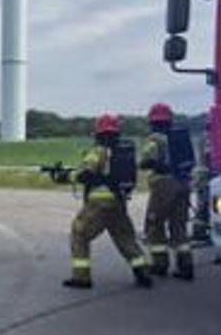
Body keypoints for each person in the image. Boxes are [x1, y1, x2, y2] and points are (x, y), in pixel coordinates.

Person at [55, 114, 152, 289]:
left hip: (99, 203)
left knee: (79, 233)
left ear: (98, 133)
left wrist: (65, 176)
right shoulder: (123, 150)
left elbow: (86, 174)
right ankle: (143, 271)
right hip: (119, 201)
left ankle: (81, 277)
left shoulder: (98, 151)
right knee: (125, 238)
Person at [140, 103, 196, 281]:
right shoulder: (180, 136)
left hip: (163, 184)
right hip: (183, 183)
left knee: (155, 224)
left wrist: (144, 164)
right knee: (179, 225)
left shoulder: (155, 139)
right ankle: (186, 264)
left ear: (152, 122)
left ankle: (160, 264)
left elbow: (146, 160)